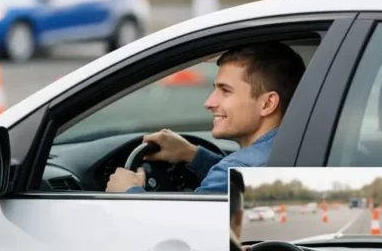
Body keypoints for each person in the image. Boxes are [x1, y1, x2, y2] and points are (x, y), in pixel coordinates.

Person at [105, 41, 306, 194]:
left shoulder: (235, 171)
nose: (209, 102)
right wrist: (192, 155)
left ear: (268, 103)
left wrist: (130, 193)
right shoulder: (299, 149)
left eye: (225, 91)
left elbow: (183, 237)